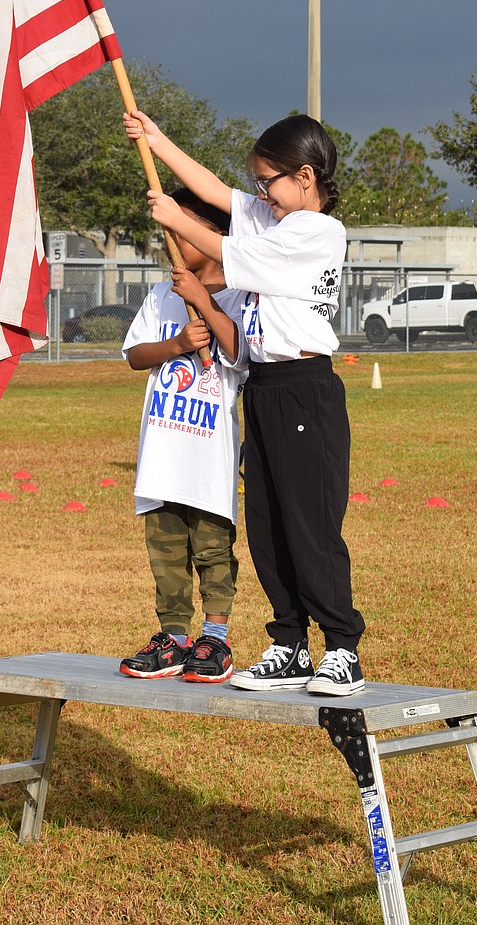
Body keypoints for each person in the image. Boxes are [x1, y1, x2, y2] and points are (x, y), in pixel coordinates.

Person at [124, 109, 366, 697]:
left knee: (309, 525)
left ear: (304, 177)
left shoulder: (315, 232)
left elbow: (226, 250)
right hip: (262, 385)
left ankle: (340, 647)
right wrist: (157, 140)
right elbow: (216, 192)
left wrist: (178, 219)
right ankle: (289, 643)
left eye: (269, 183)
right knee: (268, 526)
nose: (261, 195)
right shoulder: (276, 217)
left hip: (304, 385)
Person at [119, 188, 248, 684]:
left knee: (213, 551)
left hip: (208, 460)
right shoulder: (160, 295)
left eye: (183, 226)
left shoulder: (241, 294)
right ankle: (172, 639)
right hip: (163, 456)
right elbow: (134, 355)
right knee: (166, 551)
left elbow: (240, 353)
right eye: (168, 227)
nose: (172, 235)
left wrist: (204, 304)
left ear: (215, 234)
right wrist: (175, 344)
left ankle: (214, 638)